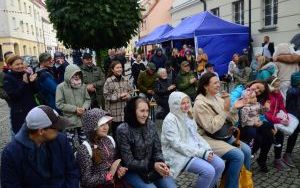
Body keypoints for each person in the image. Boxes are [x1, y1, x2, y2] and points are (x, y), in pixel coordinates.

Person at [193, 72, 251, 188]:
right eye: (215, 83)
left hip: (223, 134)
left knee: (247, 151)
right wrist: (225, 110)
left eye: (218, 82)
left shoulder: (218, 97)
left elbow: (232, 120)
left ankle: (238, 182)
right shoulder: (200, 104)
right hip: (207, 138)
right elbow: (211, 128)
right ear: (205, 86)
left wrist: (234, 108)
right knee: (238, 155)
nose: (219, 85)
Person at [1, 105, 79, 188]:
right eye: (56, 127)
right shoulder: (11, 153)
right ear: (41, 131)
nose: (59, 130)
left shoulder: (61, 140)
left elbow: (72, 171)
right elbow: (10, 184)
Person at [161, 91, 225, 188]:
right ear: (175, 104)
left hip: (192, 148)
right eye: (182, 103)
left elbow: (195, 135)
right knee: (208, 171)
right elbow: (176, 145)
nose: (186, 105)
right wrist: (201, 153)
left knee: (220, 164)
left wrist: (206, 149)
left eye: (187, 102)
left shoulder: (187, 114)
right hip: (176, 154)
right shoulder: (170, 120)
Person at [116, 97, 177, 188]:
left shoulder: (150, 124)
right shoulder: (123, 130)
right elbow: (128, 161)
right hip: (132, 171)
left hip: (152, 167)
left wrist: (160, 162)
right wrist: (153, 165)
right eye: (142, 111)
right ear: (133, 111)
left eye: (147, 111)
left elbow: (157, 149)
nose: (145, 114)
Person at [76, 108, 128, 188]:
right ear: (92, 127)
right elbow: (86, 180)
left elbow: (114, 159)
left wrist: (119, 168)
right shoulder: (85, 148)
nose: (106, 127)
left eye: (106, 123)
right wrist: (107, 176)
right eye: (101, 125)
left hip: (115, 182)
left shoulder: (110, 139)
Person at [230, 80, 273, 172]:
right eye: (257, 87)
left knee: (269, 132)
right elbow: (232, 102)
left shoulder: (256, 100)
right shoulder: (240, 90)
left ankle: (262, 159)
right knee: (257, 136)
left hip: (252, 123)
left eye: (260, 91)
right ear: (253, 83)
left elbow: (260, 114)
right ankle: (245, 159)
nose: (257, 91)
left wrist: (262, 117)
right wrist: (244, 99)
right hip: (239, 124)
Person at [265, 76, 299, 171]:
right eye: (275, 86)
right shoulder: (267, 96)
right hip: (268, 122)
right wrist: (279, 120)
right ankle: (261, 159)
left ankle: (277, 159)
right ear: (269, 86)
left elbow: (281, 106)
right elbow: (267, 114)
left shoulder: (278, 94)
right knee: (266, 142)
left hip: (276, 120)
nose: (277, 88)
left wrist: (286, 116)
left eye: (278, 86)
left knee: (280, 137)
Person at [56, 64, 91, 150]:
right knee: (69, 145)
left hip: (82, 119)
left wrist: (84, 108)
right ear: (68, 75)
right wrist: (75, 109)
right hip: (69, 121)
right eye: (74, 74)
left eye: (78, 74)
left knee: (85, 143)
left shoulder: (82, 86)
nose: (76, 76)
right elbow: (59, 104)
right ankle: (71, 160)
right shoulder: (61, 87)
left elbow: (87, 99)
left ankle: (85, 159)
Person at [3, 55, 38, 134]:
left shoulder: (26, 74)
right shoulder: (8, 78)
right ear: (10, 66)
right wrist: (24, 83)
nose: (20, 66)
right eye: (17, 64)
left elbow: (35, 91)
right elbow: (14, 96)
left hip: (31, 110)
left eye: (21, 63)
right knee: (21, 137)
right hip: (20, 114)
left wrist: (33, 82)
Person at [103, 60, 132, 138]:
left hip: (125, 111)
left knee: (126, 135)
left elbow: (131, 92)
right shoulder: (109, 81)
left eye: (121, 67)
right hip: (114, 112)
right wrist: (119, 96)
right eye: (117, 67)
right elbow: (106, 96)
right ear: (112, 70)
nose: (119, 69)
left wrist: (128, 96)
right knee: (116, 135)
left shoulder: (125, 79)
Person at [284, 71, 300, 167]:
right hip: (295, 117)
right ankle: (287, 154)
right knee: (293, 136)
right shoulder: (292, 91)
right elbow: (292, 92)